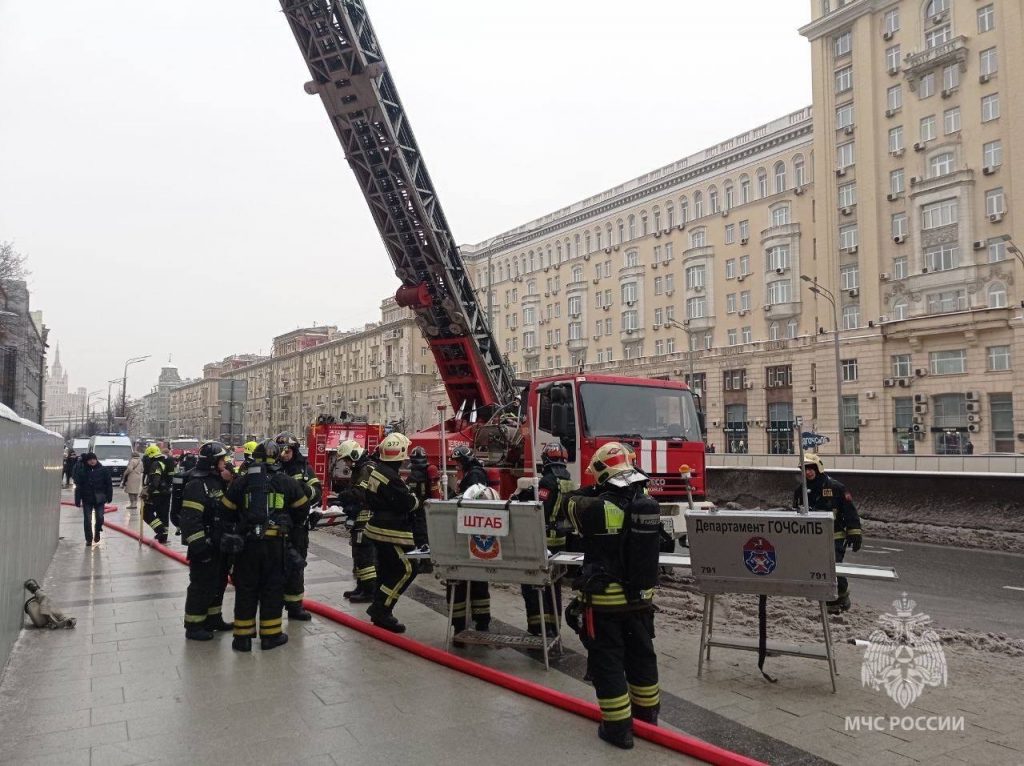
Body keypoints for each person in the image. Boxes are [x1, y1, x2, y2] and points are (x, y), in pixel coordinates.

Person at [565, 442, 662, 749]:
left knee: (607, 661)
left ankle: (617, 728)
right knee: (642, 657)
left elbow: (567, 502)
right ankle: (648, 720)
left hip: (606, 603)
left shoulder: (594, 508)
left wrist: (594, 488)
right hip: (641, 600)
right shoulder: (646, 501)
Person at [221, 439, 311, 652]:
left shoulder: (241, 482)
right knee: (272, 589)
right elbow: (302, 510)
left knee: (246, 589)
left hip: (247, 546)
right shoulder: (286, 481)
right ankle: (271, 636)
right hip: (274, 545)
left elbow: (226, 512)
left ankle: (242, 639)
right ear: (277, 457)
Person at [361, 432, 420, 633]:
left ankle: (379, 608)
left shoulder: (380, 470)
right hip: (391, 531)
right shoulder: (391, 478)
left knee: (387, 570)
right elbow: (408, 503)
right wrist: (415, 498)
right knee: (408, 568)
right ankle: (382, 610)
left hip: (379, 528)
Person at [516, 442, 576, 636]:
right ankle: (554, 626)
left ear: (546, 459)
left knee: (533, 585)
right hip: (560, 541)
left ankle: (538, 627)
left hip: (543, 541)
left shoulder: (548, 482)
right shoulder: (568, 480)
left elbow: (540, 508)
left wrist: (526, 497)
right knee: (553, 586)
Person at [792, 452, 863, 613]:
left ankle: (841, 598)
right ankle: (827, 599)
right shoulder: (800, 492)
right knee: (818, 568)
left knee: (833, 567)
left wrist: (855, 533)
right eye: (804, 469)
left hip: (834, 535)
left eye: (811, 468)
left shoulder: (836, 488)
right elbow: (796, 515)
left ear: (818, 468)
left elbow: (849, 511)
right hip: (811, 538)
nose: (808, 472)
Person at [180, 441, 235, 641]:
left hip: (218, 544)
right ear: (213, 462)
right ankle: (194, 625)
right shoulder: (197, 484)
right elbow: (190, 520)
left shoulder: (216, 481)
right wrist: (200, 546)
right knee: (201, 585)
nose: (225, 463)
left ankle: (213, 619)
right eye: (222, 460)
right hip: (204, 546)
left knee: (218, 583)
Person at [275, 432, 322, 621]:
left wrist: (301, 489)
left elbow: (317, 493)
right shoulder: (273, 468)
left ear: (294, 450)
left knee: (296, 566)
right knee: (276, 566)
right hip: (277, 526)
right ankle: (274, 603)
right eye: (281, 451)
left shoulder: (304, 469)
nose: (284, 455)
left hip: (297, 527)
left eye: (287, 451)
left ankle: (295, 606)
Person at [447, 445, 491, 635]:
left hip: (469, 532)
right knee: (478, 578)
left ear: (464, 460)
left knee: (461, 579)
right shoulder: (474, 473)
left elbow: (469, 500)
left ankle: (463, 624)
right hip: (474, 531)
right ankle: (481, 620)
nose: (456, 466)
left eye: (458, 462)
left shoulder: (474, 476)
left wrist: (452, 497)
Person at [337, 439, 376, 603]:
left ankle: (369, 591)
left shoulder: (367, 469)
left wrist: (345, 496)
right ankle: (361, 587)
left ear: (354, 454)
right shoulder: (360, 468)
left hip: (366, 518)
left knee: (365, 556)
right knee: (358, 555)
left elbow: (361, 494)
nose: (346, 462)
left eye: (347, 459)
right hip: (359, 518)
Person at [73, 452, 112, 547]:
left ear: (96, 459)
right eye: (90, 459)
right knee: (87, 519)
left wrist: (109, 496)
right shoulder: (82, 471)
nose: (92, 461)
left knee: (100, 517)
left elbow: (108, 484)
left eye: (94, 459)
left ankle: (97, 530)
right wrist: (77, 499)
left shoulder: (103, 470)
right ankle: (89, 539)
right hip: (87, 499)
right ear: (87, 461)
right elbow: (79, 486)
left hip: (100, 498)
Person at [141, 444, 174, 543]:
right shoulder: (163, 462)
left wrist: (147, 492)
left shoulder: (155, 464)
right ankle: (163, 538)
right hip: (166, 493)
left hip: (156, 494)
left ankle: (160, 530)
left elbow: (155, 481)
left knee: (145, 513)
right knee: (163, 515)